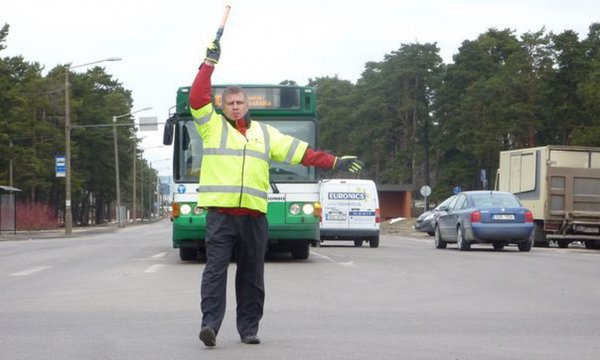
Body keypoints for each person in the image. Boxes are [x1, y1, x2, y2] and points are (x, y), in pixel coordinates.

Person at [190, 38, 364, 347]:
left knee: (252, 277)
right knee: (214, 273)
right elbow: (197, 97)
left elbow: (302, 153)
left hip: (255, 218)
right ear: (222, 107)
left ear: (247, 105)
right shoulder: (211, 127)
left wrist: (333, 161)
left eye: (239, 102)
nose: (234, 107)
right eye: (229, 103)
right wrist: (209, 65)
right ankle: (210, 327)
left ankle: (248, 329)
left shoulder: (265, 134)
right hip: (220, 216)